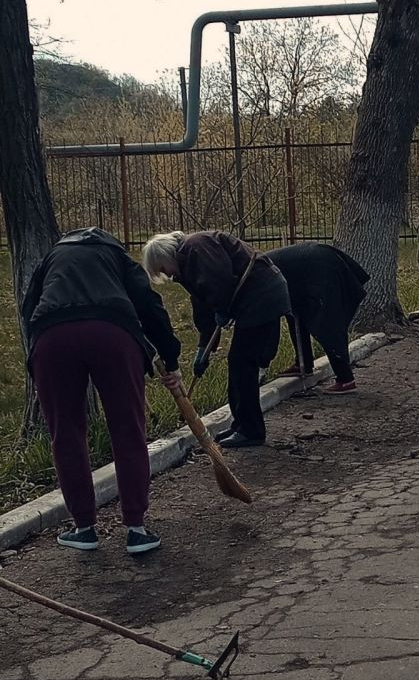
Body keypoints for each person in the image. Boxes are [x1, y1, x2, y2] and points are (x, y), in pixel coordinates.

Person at [22, 227, 183, 554]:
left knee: (65, 431)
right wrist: (170, 357)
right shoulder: (117, 256)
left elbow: (29, 308)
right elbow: (150, 305)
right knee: (127, 428)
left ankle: (84, 528)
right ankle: (136, 529)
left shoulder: (53, 257)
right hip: (112, 334)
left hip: (53, 338)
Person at [141, 230, 291, 448]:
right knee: (239, 363)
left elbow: (219, 280)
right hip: (256, 299)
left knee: (242, 363)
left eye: (164, 269)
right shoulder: (188, 262)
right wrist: (204, 348)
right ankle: (241, 424)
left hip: (262, 296)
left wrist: (222, 307)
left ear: (165, 255)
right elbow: (203, 305)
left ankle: (251, 430)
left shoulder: (196, 247)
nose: (169, 276)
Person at [266, 243, 370, 394]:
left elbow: (269, 322)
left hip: (319, 269)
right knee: (295, 314)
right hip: (308, 270)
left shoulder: (257, 278)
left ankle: (345, 379)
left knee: (327, 323)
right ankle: (304, 363)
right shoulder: (256, 270)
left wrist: (263, 361)